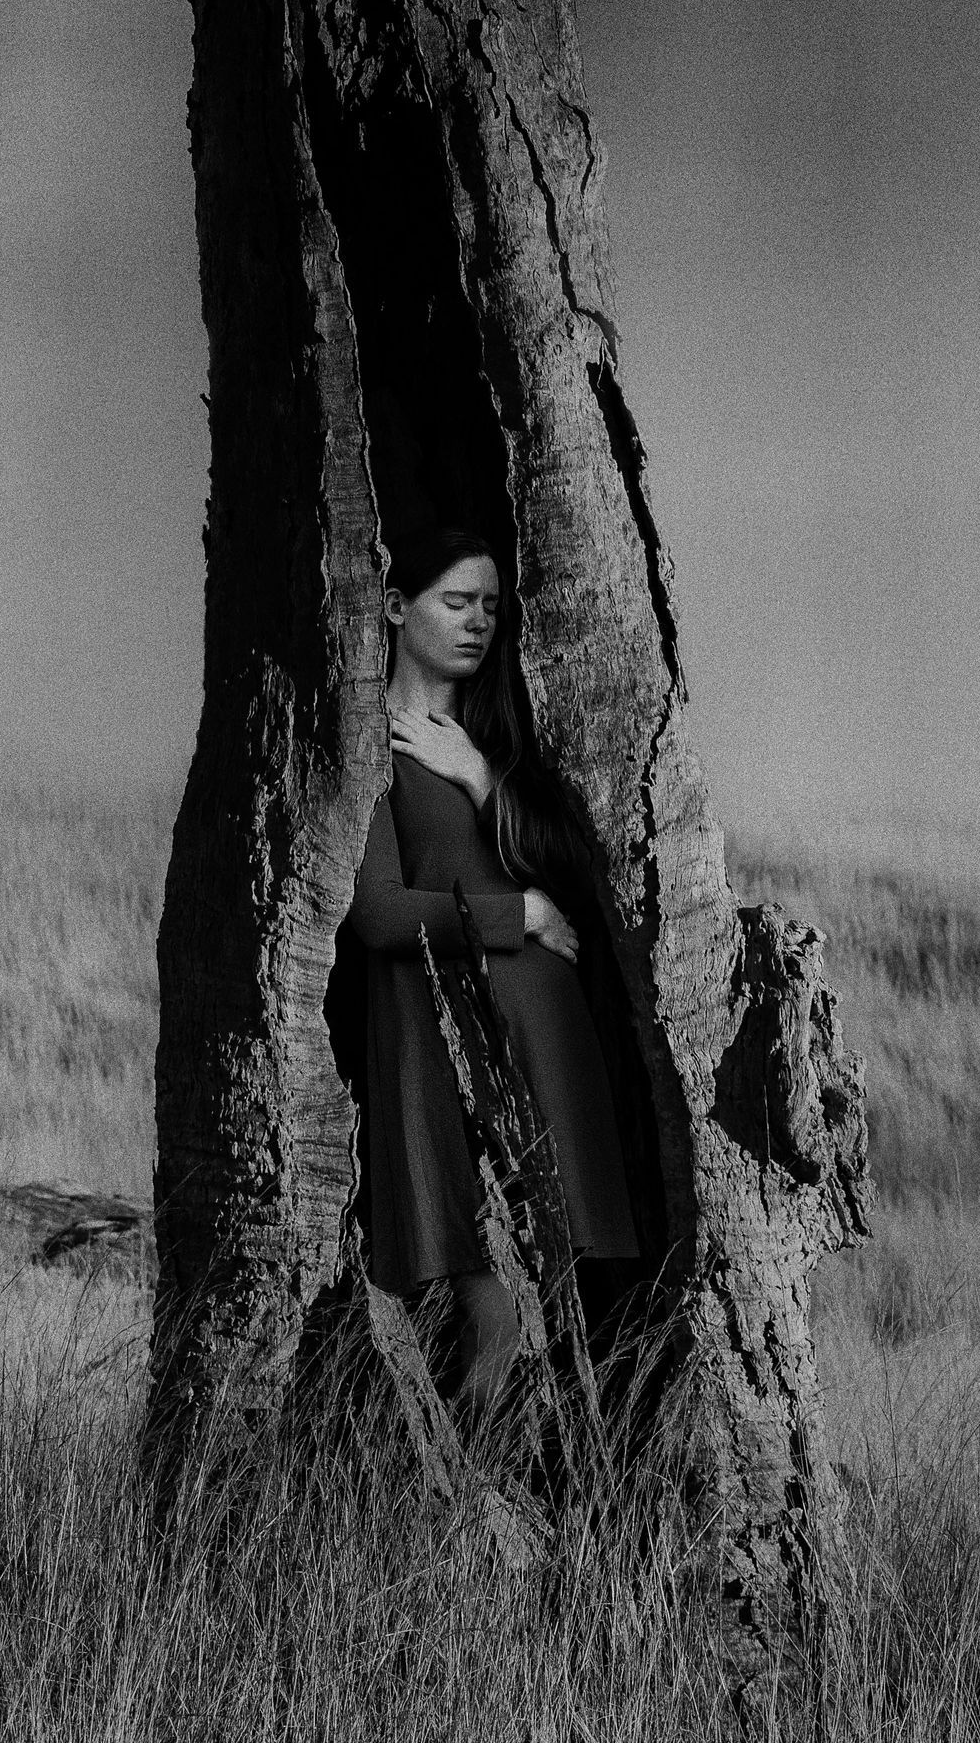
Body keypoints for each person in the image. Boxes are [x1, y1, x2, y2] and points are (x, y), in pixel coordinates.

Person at [343, 526, 639, 1413]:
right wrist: (524, 915)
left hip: (549, 1049)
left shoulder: (498, 741)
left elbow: (578, 870)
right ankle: (465, 1526)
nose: (479, 623)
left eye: (491, 608)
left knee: (592, 1317)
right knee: (490, 1315)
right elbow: (380, 915)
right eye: (456, 602)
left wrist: (478, 775)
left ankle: (583, 1523)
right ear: (397, 607)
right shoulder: (366, 746)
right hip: (441, 1050)